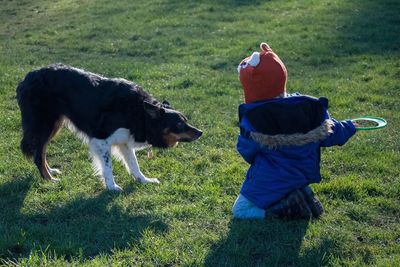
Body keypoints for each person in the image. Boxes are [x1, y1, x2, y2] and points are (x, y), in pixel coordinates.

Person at [232, 42, 357, 219]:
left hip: (270, 177)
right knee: (290, 181)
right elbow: (332, 132)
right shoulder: (309, 106)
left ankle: (282, 211)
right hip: (302, 174)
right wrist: (350, 126)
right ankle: (301, 193)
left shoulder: (254, 118)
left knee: (240, 210)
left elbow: (247, 151)